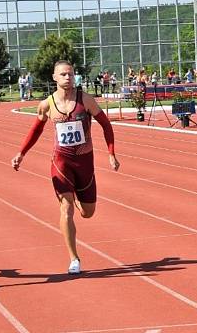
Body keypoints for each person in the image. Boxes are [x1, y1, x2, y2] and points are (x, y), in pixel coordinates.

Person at [11, 60, 120, 274]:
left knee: (88, 213)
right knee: (66, 208)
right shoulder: (47, 105)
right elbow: (35, 131)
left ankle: (80, 201)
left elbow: (106, 125)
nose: (67, 78)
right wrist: (21, 153)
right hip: (61, 163)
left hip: (85, 162)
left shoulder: (85, 100)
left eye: (70, 74)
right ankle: (74, 258)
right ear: (54, 77)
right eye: (63, 74)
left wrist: (111, 154)